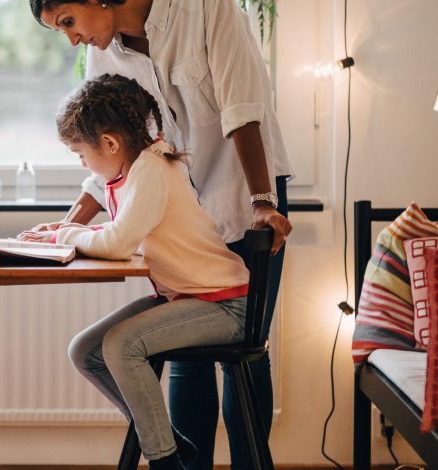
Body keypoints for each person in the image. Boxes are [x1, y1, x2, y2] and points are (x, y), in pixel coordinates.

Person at [26, 1, 293, 468]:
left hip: (247, 188)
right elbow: (106, 152)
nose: (71, 38)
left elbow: (242, 108)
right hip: (176, 198)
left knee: (244, 358)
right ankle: (190, 463)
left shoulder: (205, 8)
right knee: (186, 358)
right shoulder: (102, 48)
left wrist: (263, 202)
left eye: (68, 21)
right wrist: (68, 226)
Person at [32, 72, 252, 470]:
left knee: (121, 345)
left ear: (111, 143)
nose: (82, 162)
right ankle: (168, 440)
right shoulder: (135, 173)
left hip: (223, 306)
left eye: (80, 153)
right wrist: (69, 232)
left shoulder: (151, 170)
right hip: (186, 297)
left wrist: (68, 235)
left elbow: (118, 242)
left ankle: (164, 458)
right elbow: (123, 232)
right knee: (86, 351)